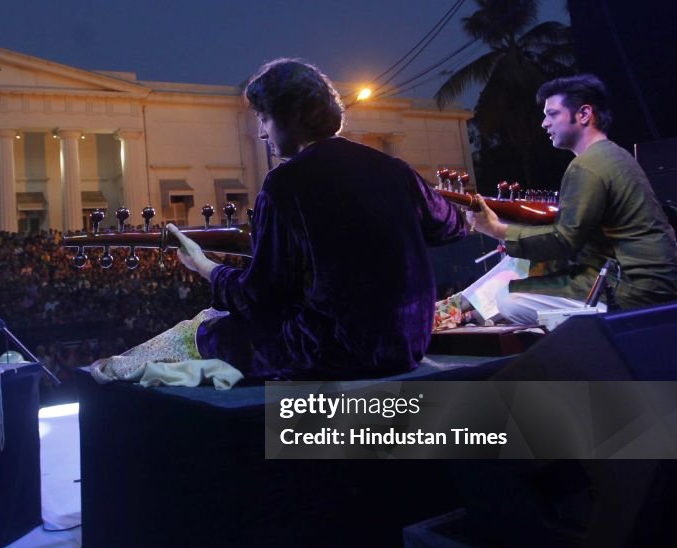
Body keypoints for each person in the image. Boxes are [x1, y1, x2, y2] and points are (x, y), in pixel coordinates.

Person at [93, 58, 467, 383]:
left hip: (340, 352)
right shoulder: (394, 169)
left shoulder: (287, 182)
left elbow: (262, 297)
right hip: (408, 344)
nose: (260, 132)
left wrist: (205, 266)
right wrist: (478, 215)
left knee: (203, 331)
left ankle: (111, 378)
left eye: (264, 117)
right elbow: (449, 225)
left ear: (291, 118)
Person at [461, 74, 677, 324]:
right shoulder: (616, 155)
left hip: (631, 287)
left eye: (552, 114)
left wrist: (495, 228)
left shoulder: (587, 166)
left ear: (584, 114)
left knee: (508, 297)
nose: (544, 123)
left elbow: (564, 240)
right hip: (654, 281)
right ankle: (461, 309)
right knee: (519, 269)